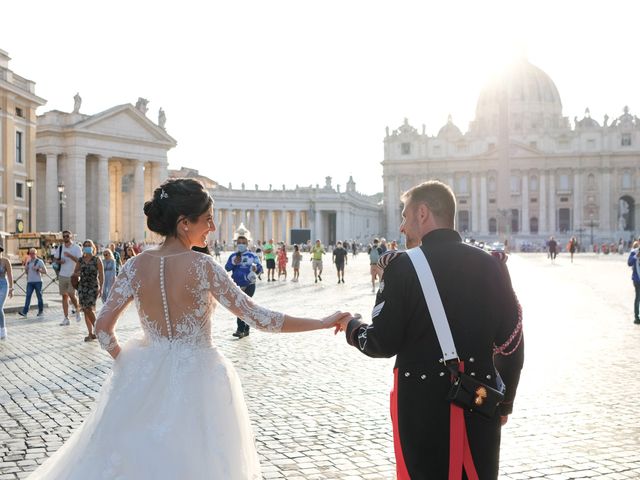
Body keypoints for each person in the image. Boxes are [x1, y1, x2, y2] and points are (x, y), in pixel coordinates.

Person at [28, 178, 349, 479]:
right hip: (199, 378)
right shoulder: (204, 266)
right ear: (184, 223)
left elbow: (101, 327)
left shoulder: (134, 265)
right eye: (207, 219)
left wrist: (125, 359)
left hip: (142, 373)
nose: (212, 226)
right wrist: (321, 322)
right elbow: (259, 317)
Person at [336, 180, 524, 480]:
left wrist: (352, 327)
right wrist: (505, 403)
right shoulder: (492, 264)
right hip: (479, 401)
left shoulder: (402, 266)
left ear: (422, 213)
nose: (401, 227)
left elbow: (381, 342)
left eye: (404, 216)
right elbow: (512, 344)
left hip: (423, 408)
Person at [225, 235, 263, 338]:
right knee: (241, 307)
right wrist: (234, 263)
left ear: (247, 244)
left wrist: (256, 269)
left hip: (249, 285)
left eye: (243, 242)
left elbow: (260, 268)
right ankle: (246, 328)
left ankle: (240, 330)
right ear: (237, 244)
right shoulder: (233, 256)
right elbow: (227, 268)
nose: (241, 244)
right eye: (239, 242)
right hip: (237, 285)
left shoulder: (252, 256)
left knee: (242, 306)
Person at [73, 240, 104, 342]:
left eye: (89, 245)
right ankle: (91, 333)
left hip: (92, 286)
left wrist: (101, 287)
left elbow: (101, 274)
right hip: (82, 287)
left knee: (89, 309)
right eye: (85, 245)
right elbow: (75, 272)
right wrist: (77, 274)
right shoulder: (80, 260)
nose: (87, 247)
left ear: (93, 247)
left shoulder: (97, 260)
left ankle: (98, 330)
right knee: (86, 310)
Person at [55, 230, 82, 326]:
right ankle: (66, 318)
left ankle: (78, 310)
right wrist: (59, 261)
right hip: (62, 274)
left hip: (73, 275)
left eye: (67, 236)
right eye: (64, 236)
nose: (65, 238)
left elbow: (80, 261)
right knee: (64, 296)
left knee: (71, 294)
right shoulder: (60, 247)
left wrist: (70, 256)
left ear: (71, 237)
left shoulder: (76, 248)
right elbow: (55, 258)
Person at [18, 248, 47, 318]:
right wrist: (26, 269)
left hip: (38, 281)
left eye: (33, 253)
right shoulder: (28, 262)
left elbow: (45, 271)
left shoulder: (39, 261)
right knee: (28, 296)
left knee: (39, 297)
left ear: (36, 254)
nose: (31, 255)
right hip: (30, 282)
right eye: (30, 253)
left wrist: (38, 269)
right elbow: (27, 272)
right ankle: (24, 312)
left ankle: (40, 311)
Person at [0, 246, 14, 340]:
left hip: (3, 285)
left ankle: (3, 330)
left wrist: (11, 288)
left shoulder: (6, 261)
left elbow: (10, 275)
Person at [627, 241, 640, 324]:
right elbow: (629, 263)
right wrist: (636, 256)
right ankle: (636, 317)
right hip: (637, 279)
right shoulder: (634, 252)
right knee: (638, 298)